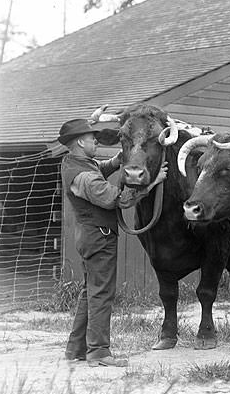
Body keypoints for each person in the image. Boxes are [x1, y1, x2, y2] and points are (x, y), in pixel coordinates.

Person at [58, 116, 167, 367]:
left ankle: (76, 349)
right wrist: (152, 183)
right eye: (90, 138)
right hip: (99, 238)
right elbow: (115, 199)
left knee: (91, 292)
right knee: (101, 294)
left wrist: (121, 158)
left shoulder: (76, 163)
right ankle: (99, 352)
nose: (95, 140)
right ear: (78, 142)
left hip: (91, 236)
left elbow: (100, 168)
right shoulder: (84, 177)